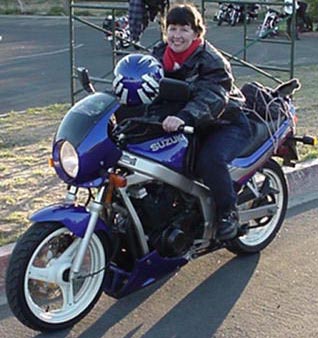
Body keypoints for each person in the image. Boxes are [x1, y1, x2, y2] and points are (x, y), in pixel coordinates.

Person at [146, 3, 252, 240]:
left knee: (209, 160)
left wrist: (183, 117)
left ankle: (228, 214)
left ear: (196, 32)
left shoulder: (211, 60)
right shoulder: (158, 54)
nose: (176, 35)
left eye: (184, 29)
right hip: (184, 125)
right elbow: (143, 81)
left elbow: (211, 97)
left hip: (224, 123)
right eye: (172, 28)